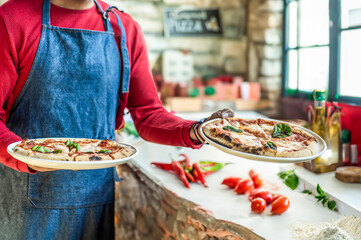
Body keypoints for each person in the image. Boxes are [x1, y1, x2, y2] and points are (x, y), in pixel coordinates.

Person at [0, 0, 234, 239]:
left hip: (96, 197)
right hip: (25, 201)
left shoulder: (125, 28)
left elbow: (148, 112)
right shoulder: (13, 19)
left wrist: (199, 130)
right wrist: (27, 158)